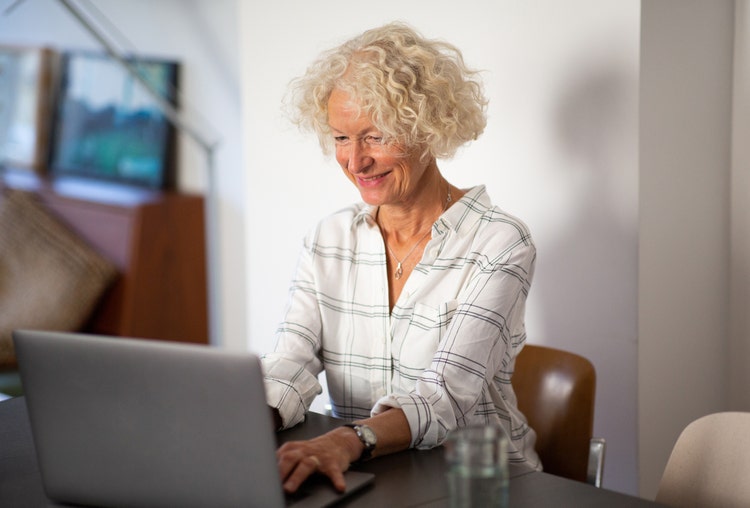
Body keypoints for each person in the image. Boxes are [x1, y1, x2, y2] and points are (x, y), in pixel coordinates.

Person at [262, 21, 541, 494]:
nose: (355, 162)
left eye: (374, 136)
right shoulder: (329, 238)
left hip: (478, 484)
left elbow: (444, 396)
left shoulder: (500, 242)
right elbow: (290, 361)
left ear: (427, 128)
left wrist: (344, 442)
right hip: (365, 477)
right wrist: (249, 420)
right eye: (341, 138)